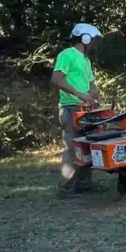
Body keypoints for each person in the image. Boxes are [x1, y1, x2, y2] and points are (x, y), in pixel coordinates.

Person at [52, 23, 102, 196]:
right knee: (73, 148)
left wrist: (94, 92)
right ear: (85, 38)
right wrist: (80, 94)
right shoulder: (67, 55)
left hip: (85, 109)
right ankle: (64, 188)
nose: (95, 45)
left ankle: (84, 184)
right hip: (70, 108)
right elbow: (57, 79)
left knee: (87, 146)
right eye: (94, 40)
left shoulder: (86, 60)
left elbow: (91, 84)